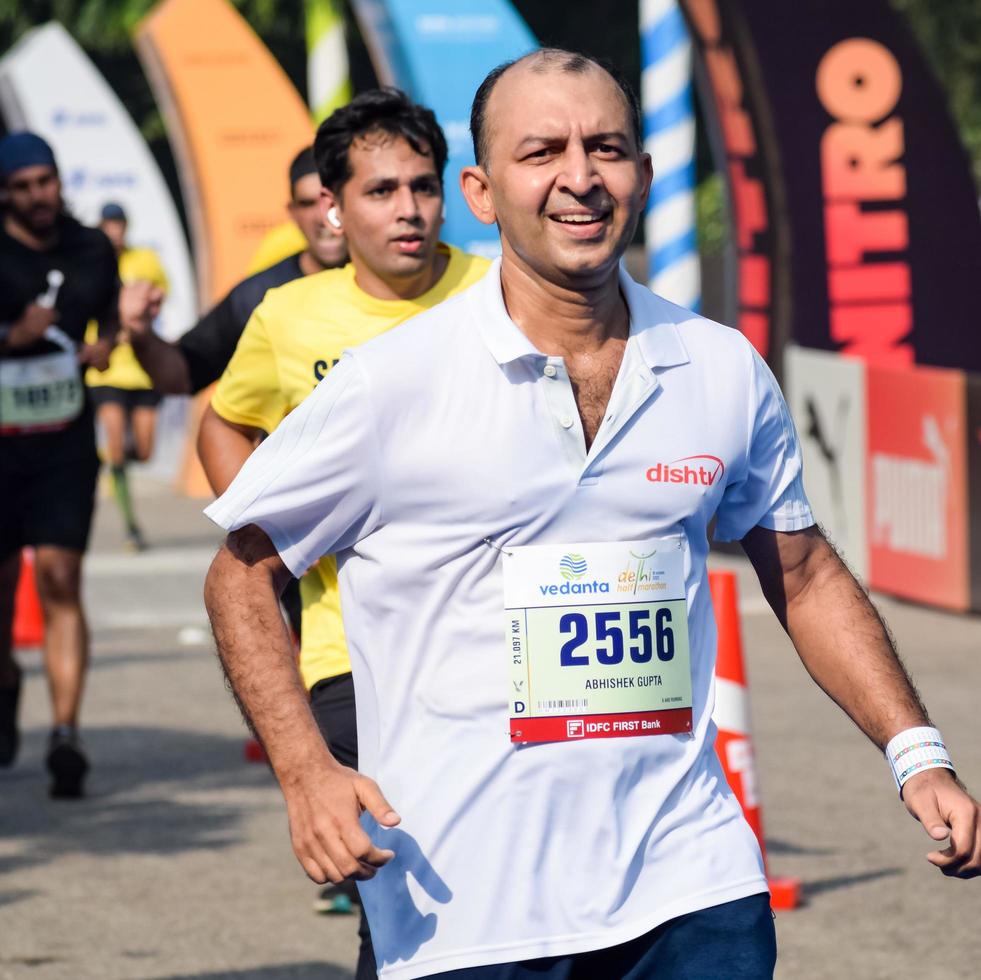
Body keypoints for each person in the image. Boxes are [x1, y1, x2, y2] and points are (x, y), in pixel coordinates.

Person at [202, 50, 980, 980]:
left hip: (689, 882)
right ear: (483, 193)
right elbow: (241, 573)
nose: (580, 177)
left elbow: (804, 574)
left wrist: (917, 754)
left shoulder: (720, 366)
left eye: (605, 147)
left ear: (642, 177)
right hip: (468, 909)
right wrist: (305, 772)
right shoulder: (392, 385)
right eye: (543, 152)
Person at [198, 88, 488, 972]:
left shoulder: (502, 292)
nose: (408, 209)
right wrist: (272, 529)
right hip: (350, 655)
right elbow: (223, 417)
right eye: (380, 190)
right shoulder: (289, 317)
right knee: (406, 900)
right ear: (331, 205)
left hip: (498, 645)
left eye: (424, 186)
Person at [0, 132, 152, 798]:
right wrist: (11, 338)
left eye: (46, 181)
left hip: (63, 440)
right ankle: (5, 683)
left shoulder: (91, 248)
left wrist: (106, 346)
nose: (39, 195)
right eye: (24, 185)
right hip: (1, 446)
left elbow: (108, 329)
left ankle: (65, 732)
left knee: (61, 577)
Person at [127, 146, 347, 397]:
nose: (323, 216)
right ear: (292, 213)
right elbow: (182, 375)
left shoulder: (396, 285)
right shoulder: (260, 295)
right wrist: (141, 335)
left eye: (332, 200)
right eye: (308, 203)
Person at [85, 202, 170, 550]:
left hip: (142, 369)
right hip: (106, 371)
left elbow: (161, 295)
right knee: (116, 444)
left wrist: (139, 318)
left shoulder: (145, 260)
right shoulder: (90, 261)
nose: (114, 231)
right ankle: (130, 527)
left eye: (119, 224)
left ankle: (113, 459)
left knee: (145, 451)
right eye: (109, 225)